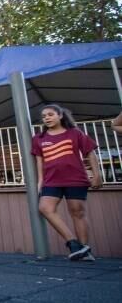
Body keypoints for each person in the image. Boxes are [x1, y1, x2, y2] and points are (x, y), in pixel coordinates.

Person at [32, 104, 102, 261]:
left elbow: (90, 152)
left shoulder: (75, 133)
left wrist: (97, 175)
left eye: (50, 114)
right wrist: (40, 181)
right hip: (51, 181)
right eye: (44, 116)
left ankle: (84, 251)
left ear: (60, 115)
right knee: (45, 208)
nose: (47, 118)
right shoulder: (38, 138)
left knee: (77, 212)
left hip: (75, 179)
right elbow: (39, 161)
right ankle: (73, 243)